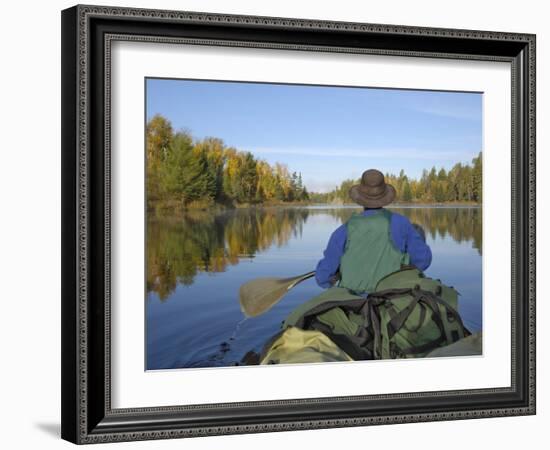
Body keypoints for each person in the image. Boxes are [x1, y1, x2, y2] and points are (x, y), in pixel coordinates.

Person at [315, 169, 432, 295]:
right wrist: (404, 263)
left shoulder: (342, 231)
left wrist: (337, 273)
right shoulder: (402, 224)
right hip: (392, 300)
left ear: (360, 198)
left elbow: (322, 278)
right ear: (385, 196)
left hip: (354, 304)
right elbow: (423, 260)